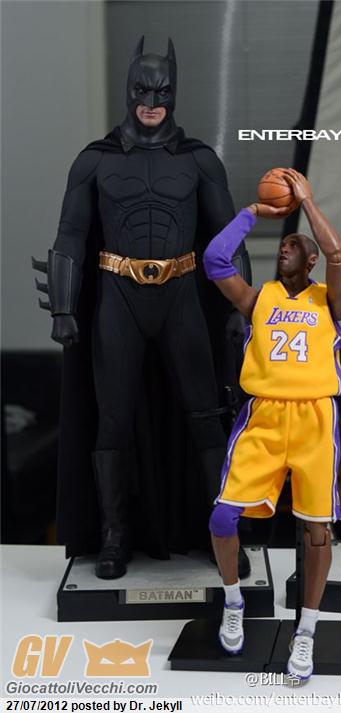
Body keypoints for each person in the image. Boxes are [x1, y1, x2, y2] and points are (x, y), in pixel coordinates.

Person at [36, 37, 252, 580]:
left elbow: (227, 238)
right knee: (112, 419)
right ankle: (114, 536)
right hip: (118, 294)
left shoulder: (199, 160)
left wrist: (241, 307)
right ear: (128, 90)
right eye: (141, 90)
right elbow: (70, 235)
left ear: (174, 93)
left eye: (161, 91)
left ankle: (222, 534)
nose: (151, 101)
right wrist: (63, 307)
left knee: (207, 416)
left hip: (181, 293)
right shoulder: (95, 160)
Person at [203, 169, 341, 681]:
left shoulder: (330, 301)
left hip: (314, 418)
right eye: (282, 244)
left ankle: (306, 630)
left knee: (317, 530)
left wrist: (306, 202)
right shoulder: (258, 298)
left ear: (310, 260)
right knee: (223, 518)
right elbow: (215, 260)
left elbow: (338, 254)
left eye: (294, 245)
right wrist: (252, 213)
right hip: (264, 416)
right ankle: (233, 601)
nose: (284, 248)